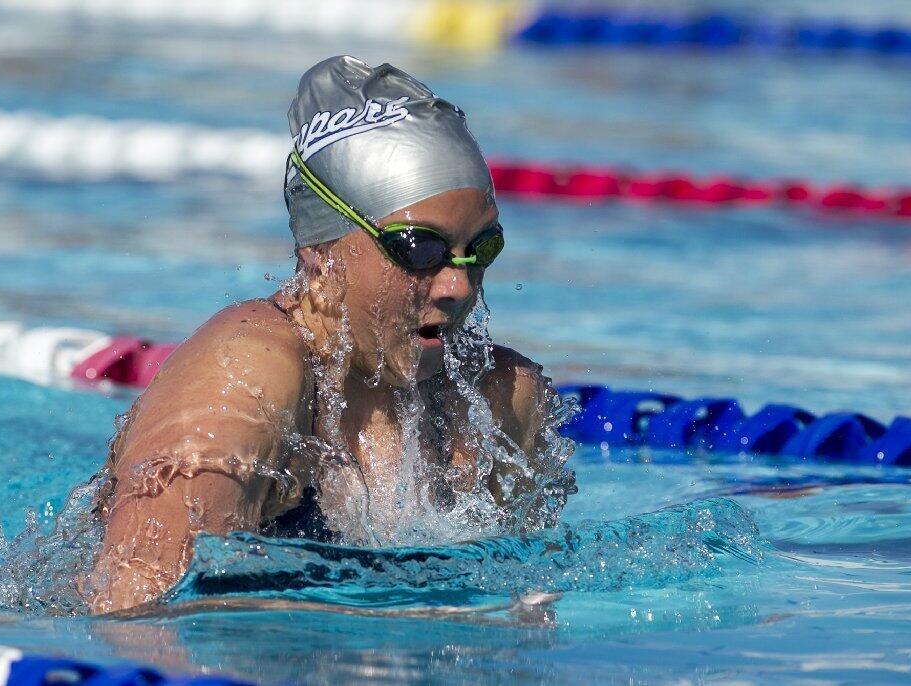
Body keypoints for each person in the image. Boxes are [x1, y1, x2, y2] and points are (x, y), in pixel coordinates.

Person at [86, 56, 576, 614]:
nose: (458, 285)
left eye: (482, 247)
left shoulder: (499, 402)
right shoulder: (249, 374)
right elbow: (132, 612)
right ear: (321, 251)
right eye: (419, 248)